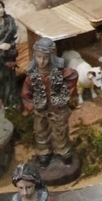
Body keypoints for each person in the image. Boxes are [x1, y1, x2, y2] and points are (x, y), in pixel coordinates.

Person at [22, 37, 79, 172]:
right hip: (40, 108)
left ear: (51, 58)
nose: (41, 62)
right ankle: (44, 153)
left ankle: (63, 151)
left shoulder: (59, 73)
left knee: (60, 131)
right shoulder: (32, 75)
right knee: (41, 130)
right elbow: (26, 92)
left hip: (57, 108)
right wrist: (30, 105)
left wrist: (64, 95)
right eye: (39, 57)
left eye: (45, 58)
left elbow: (73, 76)